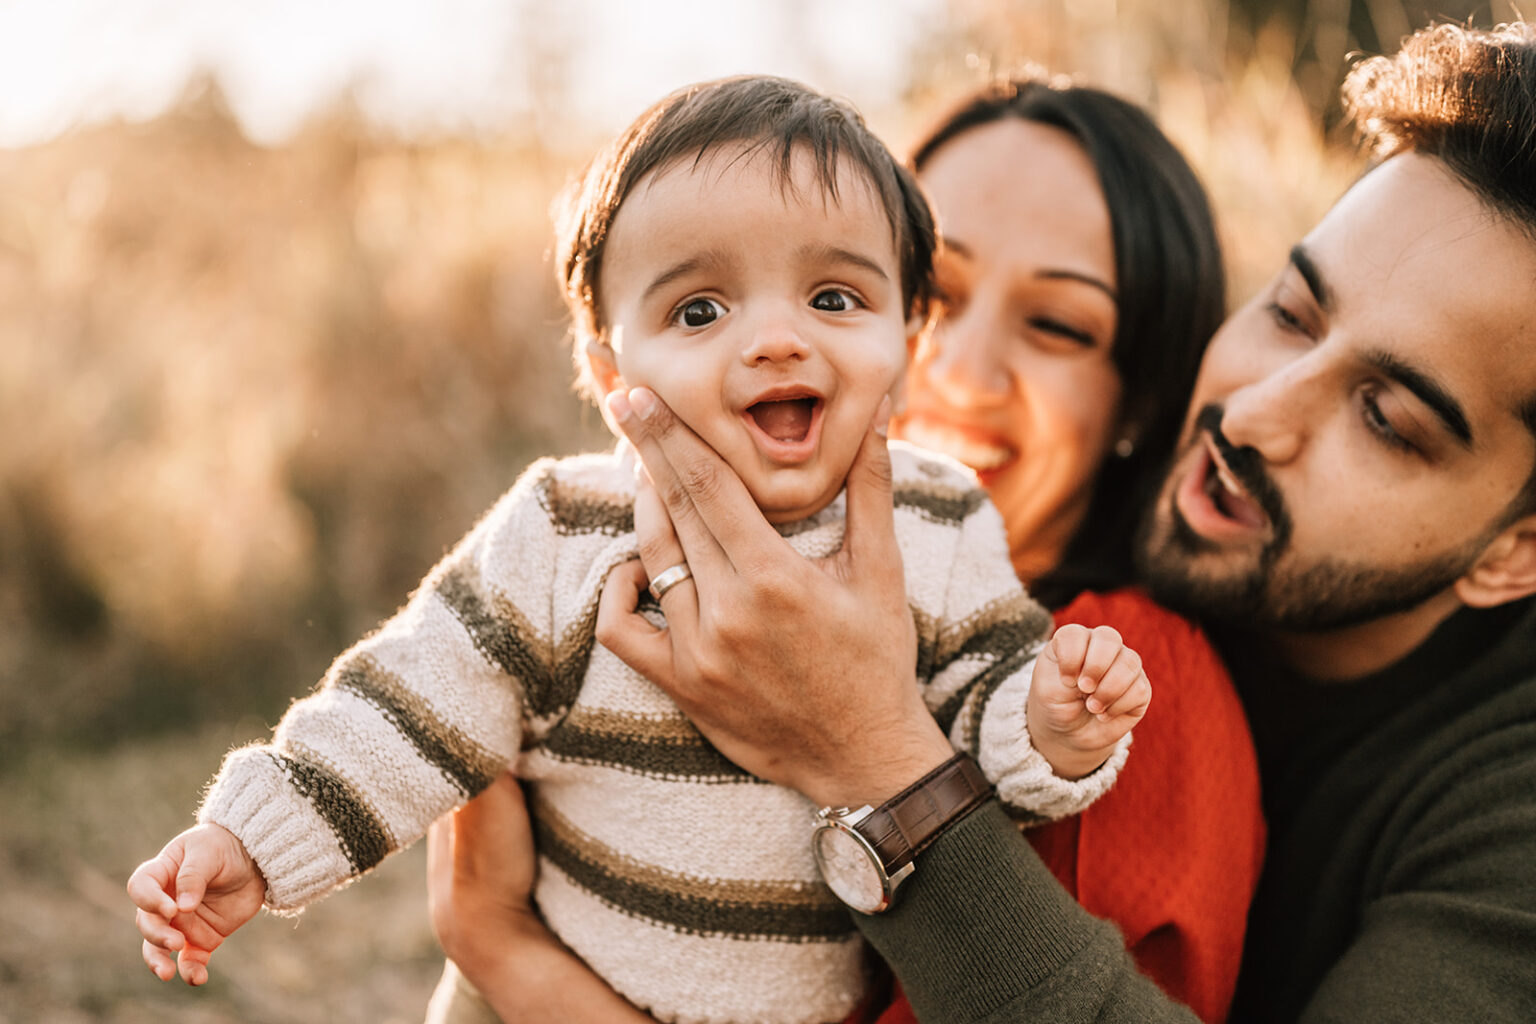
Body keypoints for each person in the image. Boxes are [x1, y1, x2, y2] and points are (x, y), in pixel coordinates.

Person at [436, 19, 1536, 1024]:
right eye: (906, 291)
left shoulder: (1114, 691)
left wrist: (514, 957)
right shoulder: (626, 567)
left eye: (1388, 418)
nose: (941, 367)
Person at [126, 75, 1157, 1024]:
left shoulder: (939, 523)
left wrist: (1051, 722)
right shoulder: (569, 527)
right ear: (608, 367)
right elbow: (412, 696)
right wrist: (257, 841)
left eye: (833, 298)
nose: (775, 340)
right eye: (699, 309)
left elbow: (985, 708)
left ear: (904, 343)